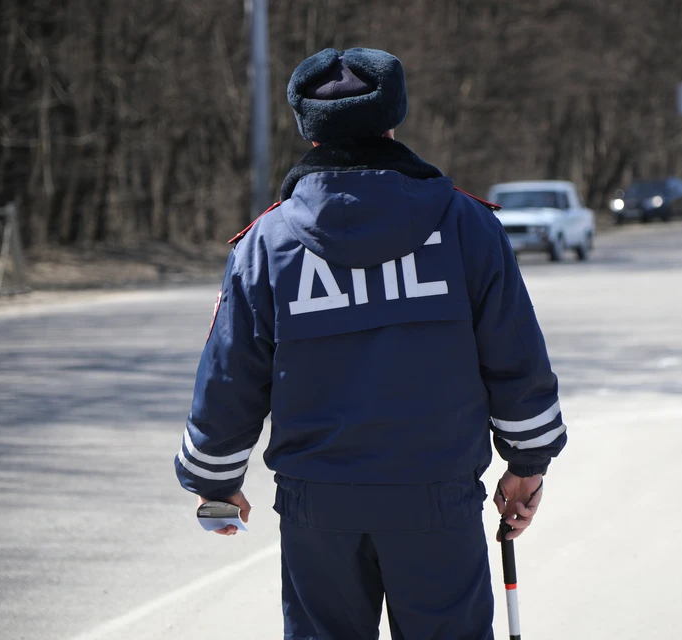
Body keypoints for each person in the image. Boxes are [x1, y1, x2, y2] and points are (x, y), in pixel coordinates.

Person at [174, 47, 566, 639]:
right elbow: (516, 360)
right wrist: (526, 467)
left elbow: (231, 376)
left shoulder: (266, 245)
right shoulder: (466, 226)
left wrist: (216, 484)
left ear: (310, 133)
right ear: (393, 120)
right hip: (437, 497)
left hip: (319, 507)